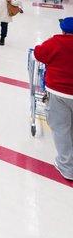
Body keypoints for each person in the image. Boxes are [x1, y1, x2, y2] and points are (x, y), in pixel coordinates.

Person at [33, 17, 73, 181]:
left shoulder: (56, 42)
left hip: (58, 93)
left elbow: (38, 53)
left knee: (61, 129)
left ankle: (67, 167)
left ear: (63, 30)